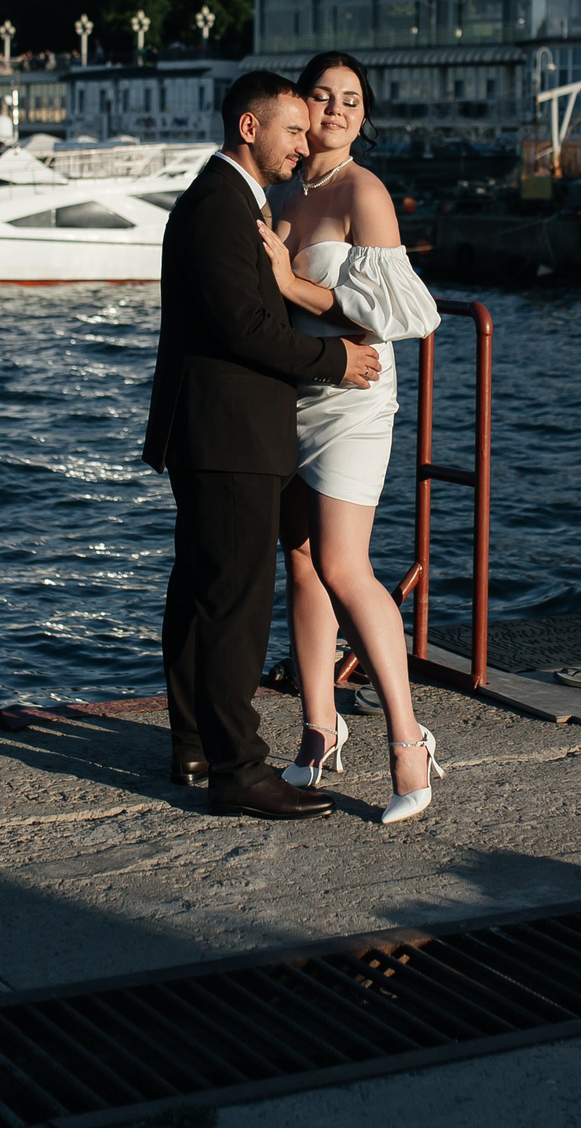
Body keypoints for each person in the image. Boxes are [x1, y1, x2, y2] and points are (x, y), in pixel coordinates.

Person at [145, 70, 384, 819]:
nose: (303, 141)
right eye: (290, 129)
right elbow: (243, 329)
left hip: (214, 427)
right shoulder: (220, 206)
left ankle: (194, 742)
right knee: (234, 603)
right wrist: (335, 361)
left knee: (200, 588)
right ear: (249, 129)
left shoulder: (225, 201)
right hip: (231, 431)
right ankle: (239, 768)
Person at [255, 53, 447, 824]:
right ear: (300, 102)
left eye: (350, 100)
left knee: (342, 562)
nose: (334, 109)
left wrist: (290, 282)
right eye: (322, 96)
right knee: (299, 565)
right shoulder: (279, 189)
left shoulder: (363, 192)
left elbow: (392, 316)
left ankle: (408, 739)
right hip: (288, 392)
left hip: (354, 394)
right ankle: (318, 731)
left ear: (363, 117)